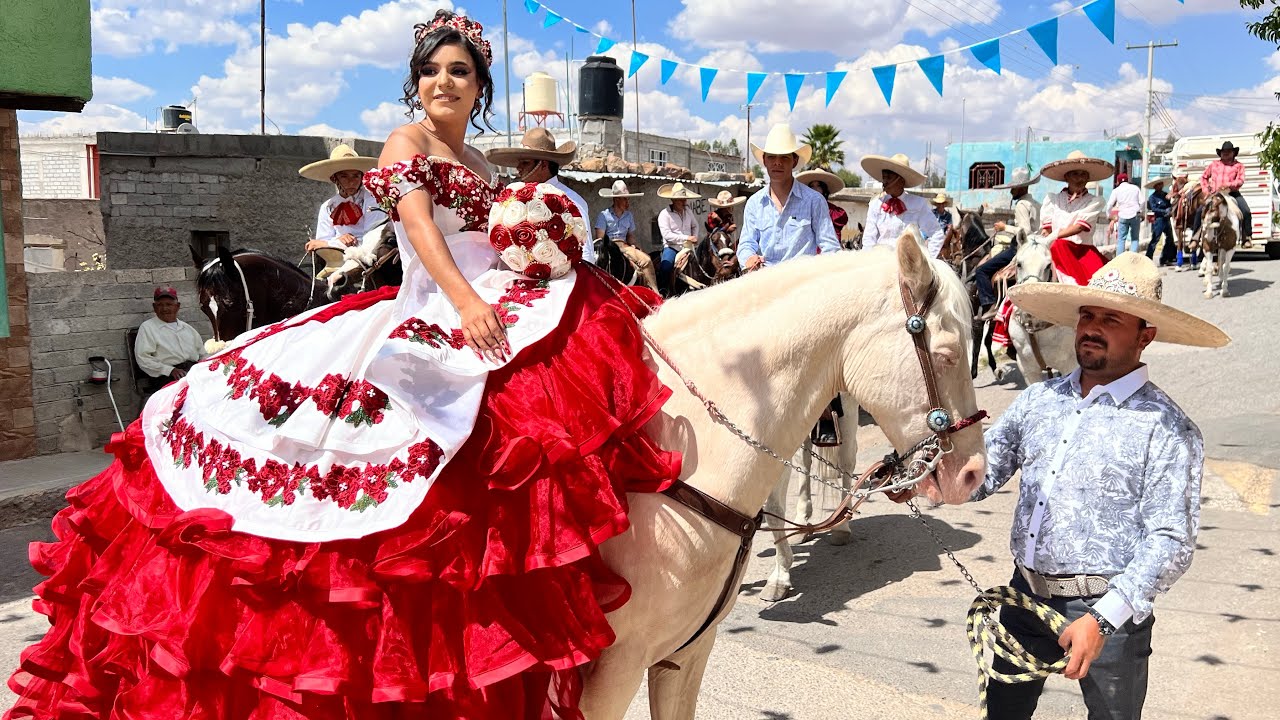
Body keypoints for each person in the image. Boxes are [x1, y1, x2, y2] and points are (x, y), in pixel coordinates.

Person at [5, 11, 680, 718]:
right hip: (433, 303)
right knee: (382, 454)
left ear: (480, 85)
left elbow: (493, 239)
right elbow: (418, 226)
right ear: (415, 82)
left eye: (459, 71)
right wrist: (465, 303)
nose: (443, 82)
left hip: (493, 300)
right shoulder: (405, 141)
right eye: (430, 70)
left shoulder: (483, 164)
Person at [965, 253, 1229, 720]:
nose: (1091, 328)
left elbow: (1171, 541)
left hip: (1108, 611)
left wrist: (1103, 618)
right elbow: (980, 473)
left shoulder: (1168, 427)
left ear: (1145, 336)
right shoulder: (1038, 400)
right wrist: (925, 478)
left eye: (1111, 319)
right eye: (1087, 315)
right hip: (1024, 597)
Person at [737, 123, 840, 271]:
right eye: (772, 157)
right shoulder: (754, 203)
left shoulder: (814, 201)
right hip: (764, 279)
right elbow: (746, 243)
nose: (777, 162)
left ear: (794, 161)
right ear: (765, 160)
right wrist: (749, 258)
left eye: (784, 157)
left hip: (802, 280)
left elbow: (830, 247)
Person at [486, 126, 597, 264]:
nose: (518, 168)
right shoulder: (514, 197)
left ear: (543, 164)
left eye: (525, 163)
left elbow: (585, 250)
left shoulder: (571, 200)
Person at [300, 144, 382, 278]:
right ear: (334, 178)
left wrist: (335, 243)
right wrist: (338, 240)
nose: (352, 182)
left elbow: (373, 237)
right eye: (344, 176)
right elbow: (321, 244)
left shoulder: (372, 199)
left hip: (368, 260)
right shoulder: (327, 207)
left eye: (356, 176)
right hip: (336, 262)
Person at [1038, 150, 1113, 286]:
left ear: (1088, 178)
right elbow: (1047, 229)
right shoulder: (1052, 199)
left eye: (1083, 174)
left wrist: (1054, 237)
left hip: (1081, 253)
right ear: (1067, 177)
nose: (1080, 178)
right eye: (1075, 174)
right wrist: (1046, 238)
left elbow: (1079, 227)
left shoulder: (1095, 201)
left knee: (1101, 287)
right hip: (1053, 250)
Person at [975, 167, 1041, 319]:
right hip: (1035, 247)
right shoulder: (1036, 203)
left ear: (1022, 188)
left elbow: (1025, 231)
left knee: (981, 271)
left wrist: (1004, 227)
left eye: (1014, 188)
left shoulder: (1021, 204)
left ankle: (989, 304)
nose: (1011, 191)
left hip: (1019, 248)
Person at [858, 153, 946, 257]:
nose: (884, 182)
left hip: (908, 263)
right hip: (880, 262)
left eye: (889, 178)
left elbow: (936, 233)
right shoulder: (876, 204)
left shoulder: (918, 204)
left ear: (901, 181)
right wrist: (869, 261)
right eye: (884, 178)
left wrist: (926, 261)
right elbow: (868, 239)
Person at [134, 286, 205, 394]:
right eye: (160, 305)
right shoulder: (148, 327)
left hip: (192, 372)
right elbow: (143, 358)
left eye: (169, 304)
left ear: (177, 306)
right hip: (166, 377)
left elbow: (203, 354)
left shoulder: (188, 329)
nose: (164, 309)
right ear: (154, 307)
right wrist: (169, 370)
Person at [594, 179, 658, 290]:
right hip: (609, 247)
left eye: (628, 199)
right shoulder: (603, 215)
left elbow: (630, 235)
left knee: (646, 260)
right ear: (616, 199)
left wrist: (634, 245)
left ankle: (654, 291)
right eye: (624, 199)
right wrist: (611, 248)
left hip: (625, 246)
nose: (627, 202)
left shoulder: (629, 216)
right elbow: (600, 238)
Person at [1193, 140, 1252, 241]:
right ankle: (1195, 238)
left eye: (1228, 151)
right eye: (1223, 151)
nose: (1225, 153)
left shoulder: (1238, 166)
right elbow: (1204, 177)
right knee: (1199, 211)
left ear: (1233, 153)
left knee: (1245, 211)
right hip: (1215, 194)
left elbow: (1240, 180)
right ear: (1220, 153)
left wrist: (1229, 185)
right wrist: (1206, 190)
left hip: (1232, 193)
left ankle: (1246, 237)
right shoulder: (1214, 164)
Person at [657, 181, 701, 291]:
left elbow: (695, 225)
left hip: (689, 247)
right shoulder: (664, 214)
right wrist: (687, 238)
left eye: (684, 199)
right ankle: (663, 291)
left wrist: (694, 237)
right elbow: (666, 235)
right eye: (681, 200)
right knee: (666, 267)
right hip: (672, 247)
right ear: (673, 200)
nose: (684, 202)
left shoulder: (688, 211)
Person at [797, 168, 849, 240]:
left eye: (818, 185)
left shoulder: (834, 212)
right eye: (812, 186)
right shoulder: (802, 209)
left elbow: (834, 237)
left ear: (824, 189)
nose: (815, 189)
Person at [1105, 173, 1143, 254]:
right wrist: (1140, 211)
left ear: (1118, 181)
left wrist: (1108, 215)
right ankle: (1133, 257)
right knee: (1135, 238)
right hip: (1135, 214)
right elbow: (1142, 201)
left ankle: (1120, 258)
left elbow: (1109, 204)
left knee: (1121, 239)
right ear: (1127, 180)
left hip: (1123, 215)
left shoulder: (1116, 190)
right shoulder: (1135, 188)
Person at [1144, 176, 1176, 267]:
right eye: (1159, 184)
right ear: (1155, 186)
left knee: (1170, 239)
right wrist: (1164, 211)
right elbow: (1154, 209)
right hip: (1159, 220)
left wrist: (1169, 210)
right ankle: (1148, 259)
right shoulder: (1152, 197)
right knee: (1155, 239)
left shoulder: (1165, 195)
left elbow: (1169, 204)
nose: (1161, 186)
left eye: (1161, 184)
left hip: (1166, 219)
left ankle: (1165, 258)